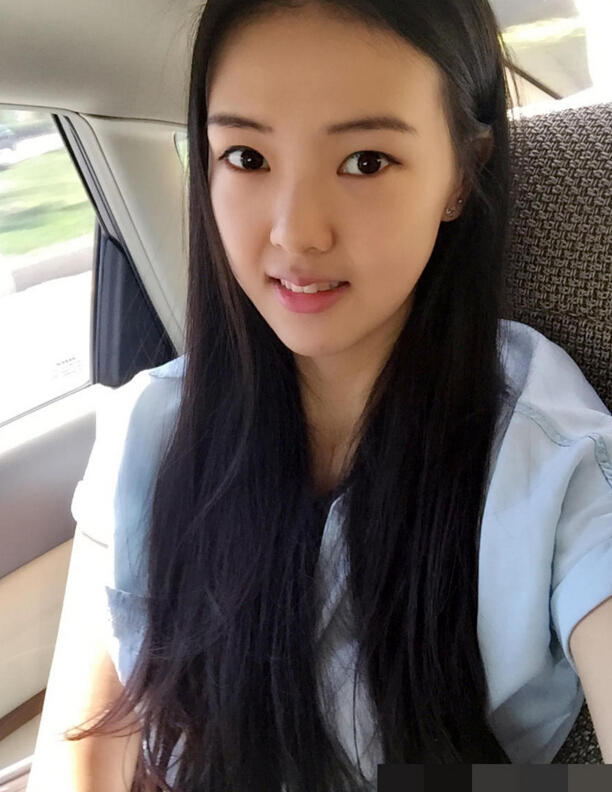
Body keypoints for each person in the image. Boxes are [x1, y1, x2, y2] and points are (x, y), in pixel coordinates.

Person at [28, 0, 612, 789]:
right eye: (246, 157)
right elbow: (85, 754)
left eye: (366, 161)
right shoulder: (149, 430)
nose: (296, 232)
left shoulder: (544, 441)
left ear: (461, 175)